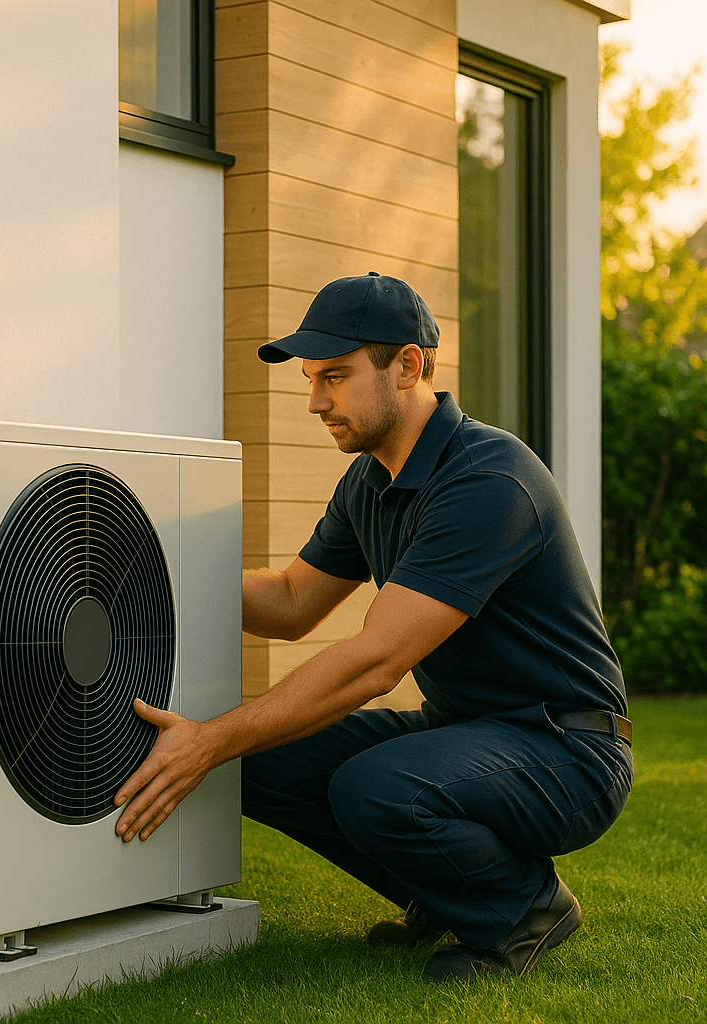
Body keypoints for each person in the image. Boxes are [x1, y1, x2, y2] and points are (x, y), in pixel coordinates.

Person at [114, 272, 633, 983]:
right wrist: (158, 578)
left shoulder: (488, 479)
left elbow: (374, 663)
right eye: (310, 379)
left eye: (335, 376)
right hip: (469, 730)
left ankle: (523, 910)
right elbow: (294, 602)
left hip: (567, 747)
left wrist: (206, 740)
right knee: (260, 761)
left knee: (374, 785)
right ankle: (445, 892)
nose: (315, 401)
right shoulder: (371, 481)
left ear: (409, 367)